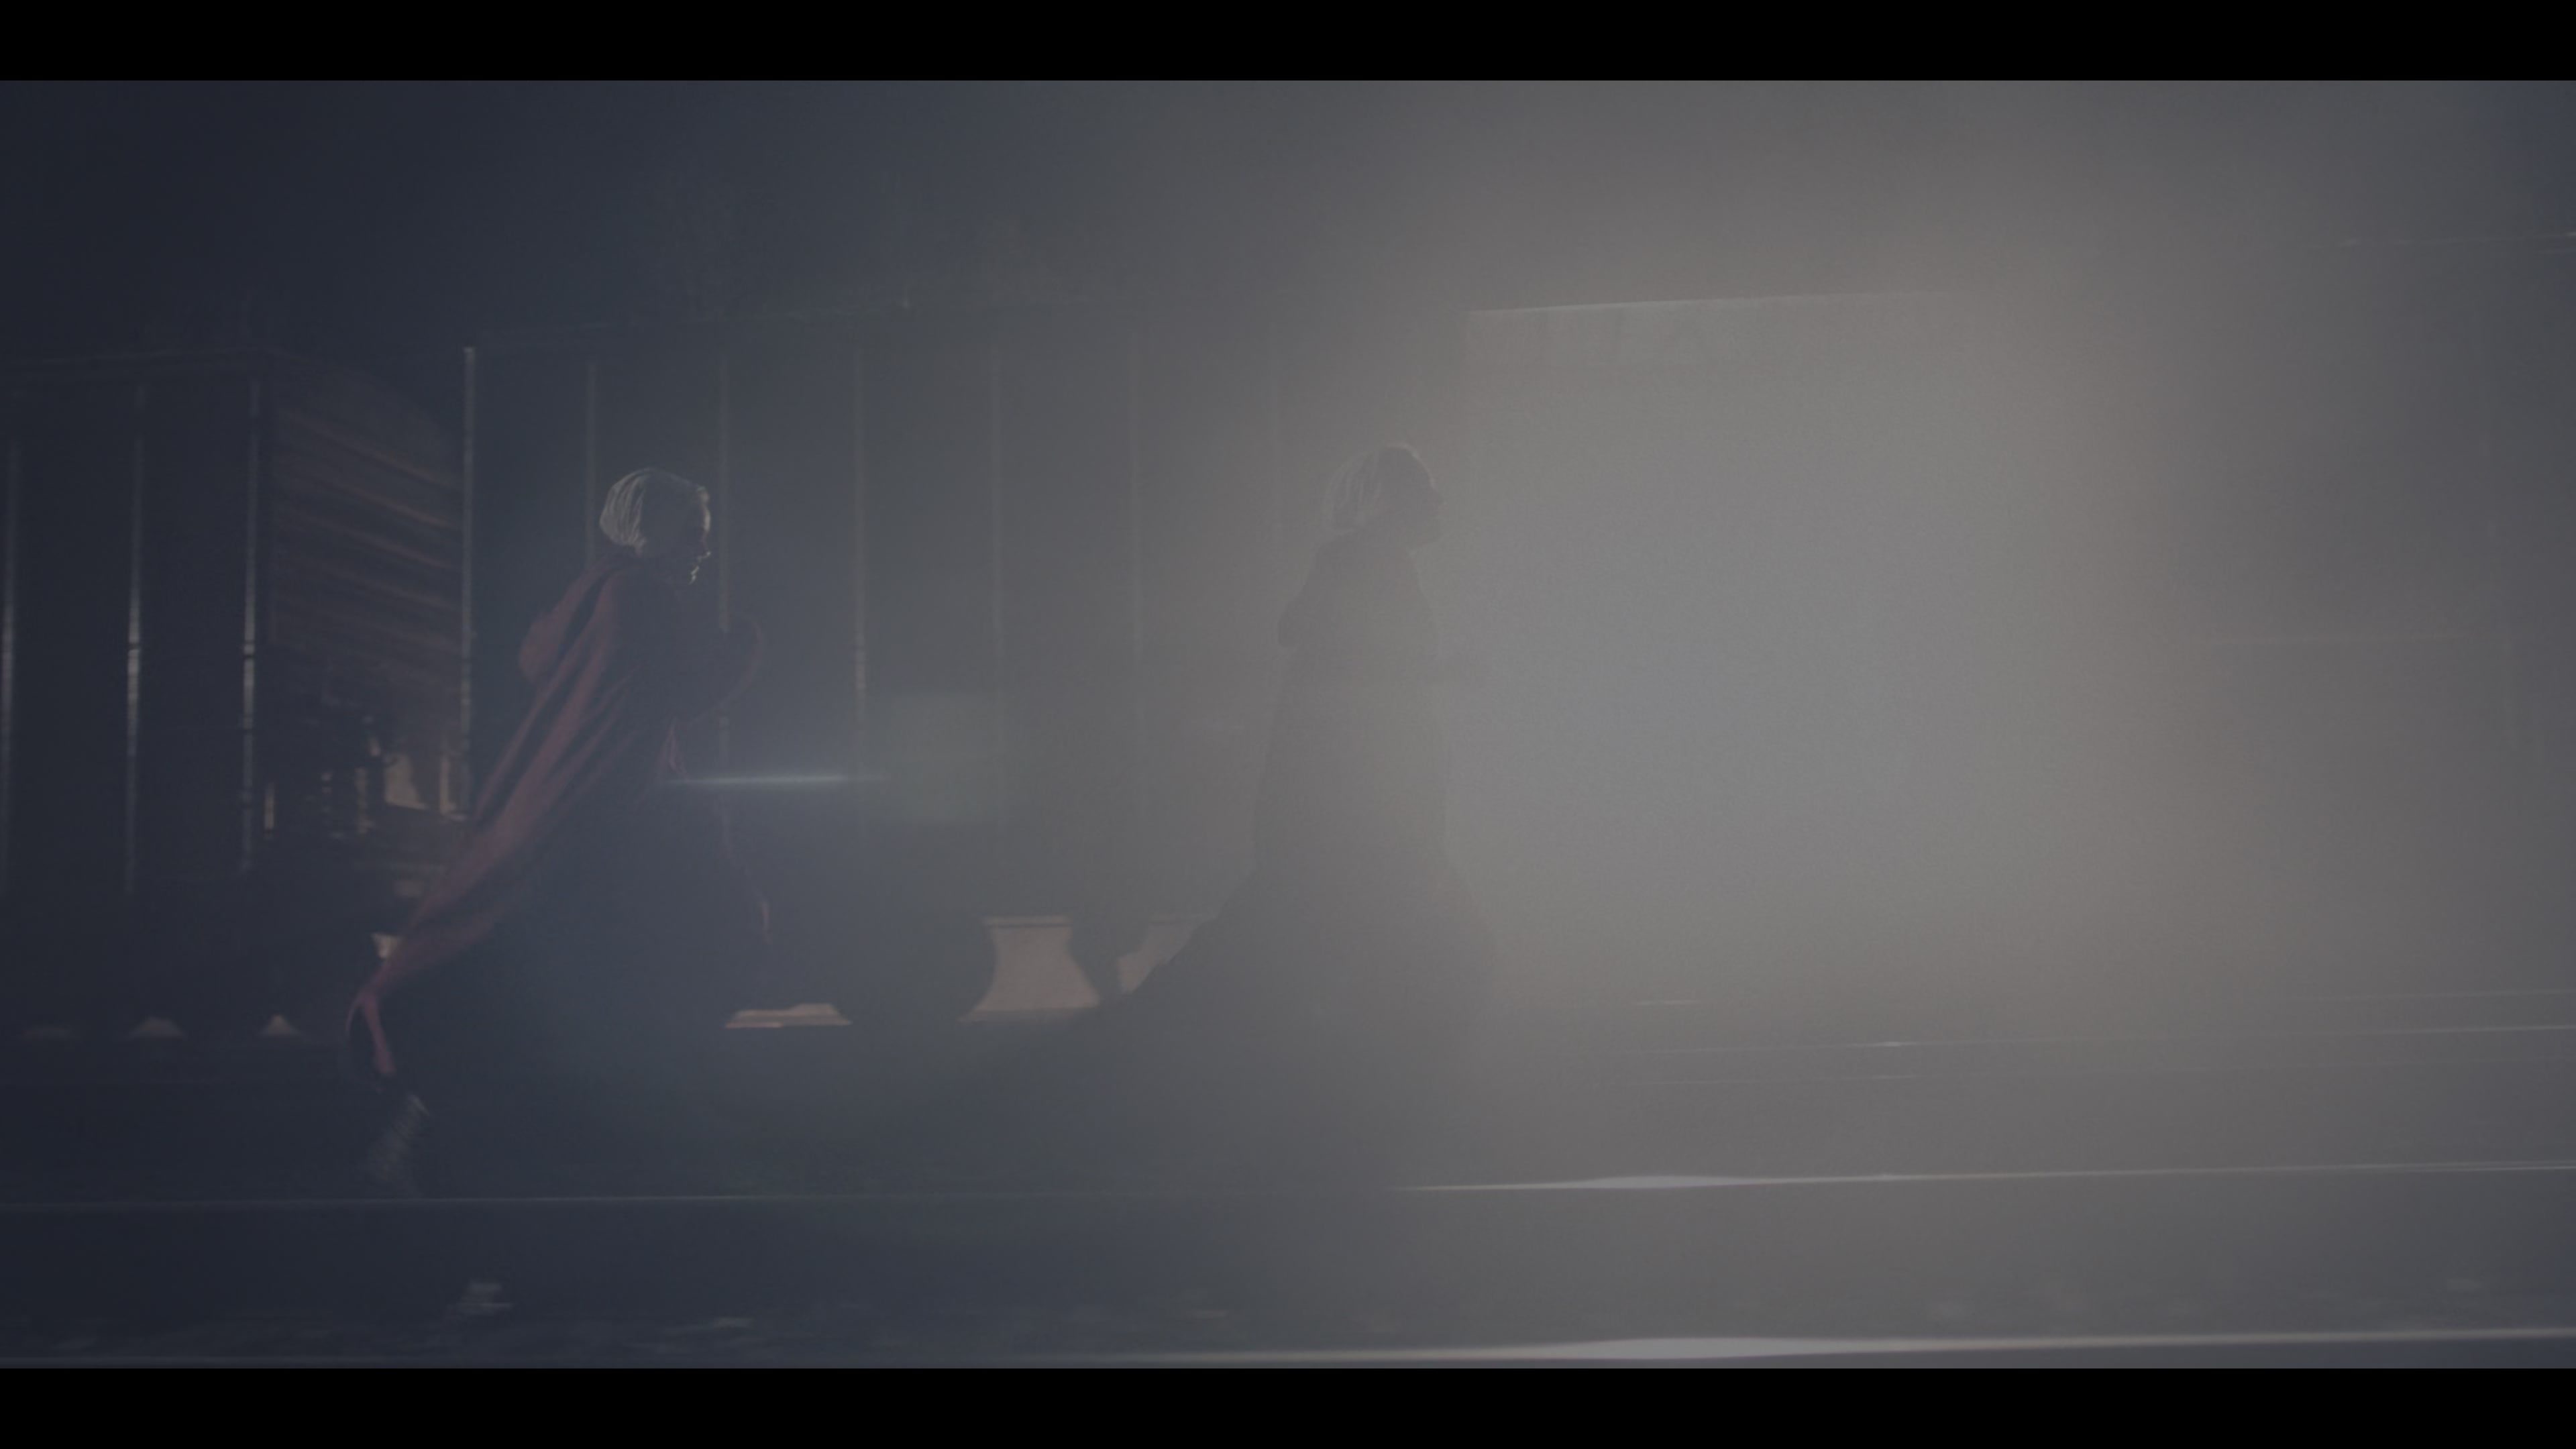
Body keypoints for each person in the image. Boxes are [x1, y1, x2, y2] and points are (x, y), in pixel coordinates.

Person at [940, 445, 1493, 1181]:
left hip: (1358, 810)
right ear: (1390, 500)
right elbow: (1353, 665)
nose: (1438, 503)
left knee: (1295, 934)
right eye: (1426, 489)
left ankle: (1164, 1056)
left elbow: (1337, 657)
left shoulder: (1364, 565)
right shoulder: (1365, 565)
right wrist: (1441, 676)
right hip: (1360, 811)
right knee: (1366, 936)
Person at [347, 468, 767, 1189]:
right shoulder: (638, 596)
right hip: (616, 819)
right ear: (654, 533)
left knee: (551, 978)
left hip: (595, 814)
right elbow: (679, 690)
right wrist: (744, 647)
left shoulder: (594, 593)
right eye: (692, 535)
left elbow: (607, 698)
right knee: (681, 949)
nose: (703, 550)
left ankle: (444, 1132)